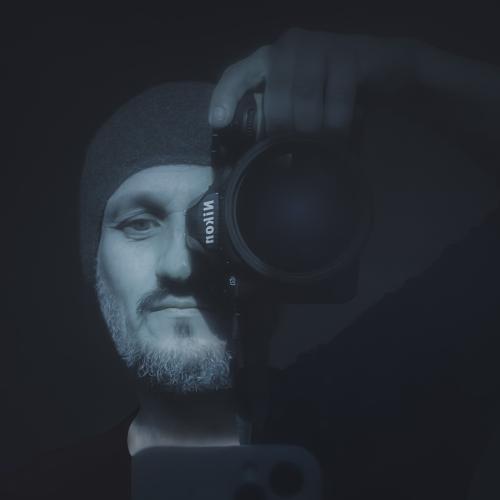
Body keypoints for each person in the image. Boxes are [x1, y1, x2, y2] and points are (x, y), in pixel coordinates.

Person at [5, 28, 500, 500]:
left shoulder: (394, 412)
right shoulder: (36, 491)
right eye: (139, 224)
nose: (180, 266)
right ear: (93, 261)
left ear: (274, 249)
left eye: (217, 221)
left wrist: (412, 72)